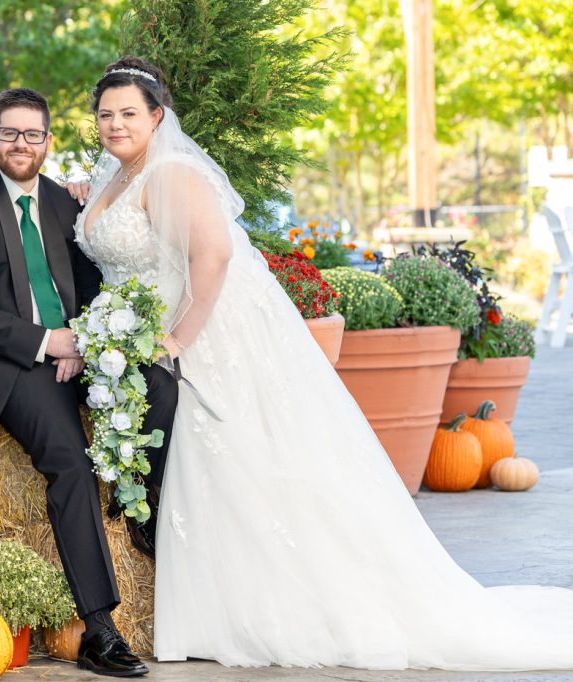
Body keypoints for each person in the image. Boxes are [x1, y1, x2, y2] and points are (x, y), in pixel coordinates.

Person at [74, 56, 573, 670]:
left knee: (237, 453)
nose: (116, 124)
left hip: (201, 329)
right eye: (106, 114)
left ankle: (267, 609)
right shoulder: (115, 176)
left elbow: (215, 256)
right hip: (140, 326)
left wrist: (178, 340)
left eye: (129, 113)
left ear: (158, 116)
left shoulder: (172, 172)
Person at [0, 87, 177, 677]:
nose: (21, 144)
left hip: (73, 349)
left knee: (162, 391)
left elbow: (90, 288)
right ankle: (99, 628)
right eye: (9, 133)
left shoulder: (67, 205)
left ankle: (141, 515)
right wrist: (46, 342)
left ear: (46, 140)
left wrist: (82, 339)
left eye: (32, 134)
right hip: (7, 360)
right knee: (69, 458)